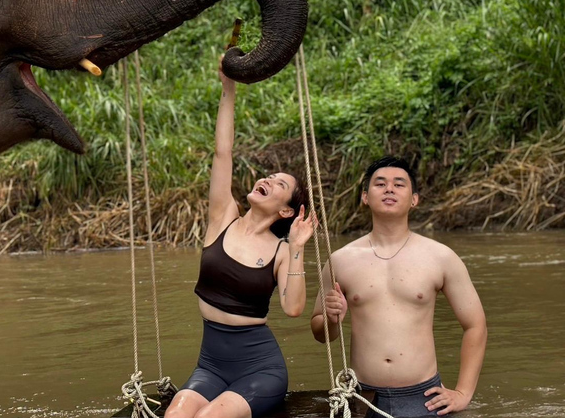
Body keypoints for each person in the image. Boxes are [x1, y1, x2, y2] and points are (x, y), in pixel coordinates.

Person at [165, 58, 315, 418]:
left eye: (280, 184)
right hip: (211, 367)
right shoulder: (222, 218)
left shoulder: (281, 251)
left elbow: (294, 309)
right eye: (269, 175)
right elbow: (223, 152)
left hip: (260, 370)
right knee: (177, 413)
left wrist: (297, 249)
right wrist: (228, 89)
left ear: (286, 211)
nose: (268, 180)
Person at [310, 156, 487, 417]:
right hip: (362, 396)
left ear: (414, 199)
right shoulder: (340, 260)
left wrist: (463, 392)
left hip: (424, 398)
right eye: (380, 184)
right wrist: (332, 318)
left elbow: (476, 325)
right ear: (365, 197)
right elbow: (320, 332)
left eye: (399, 184)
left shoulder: (441, 257)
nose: (389, 189)